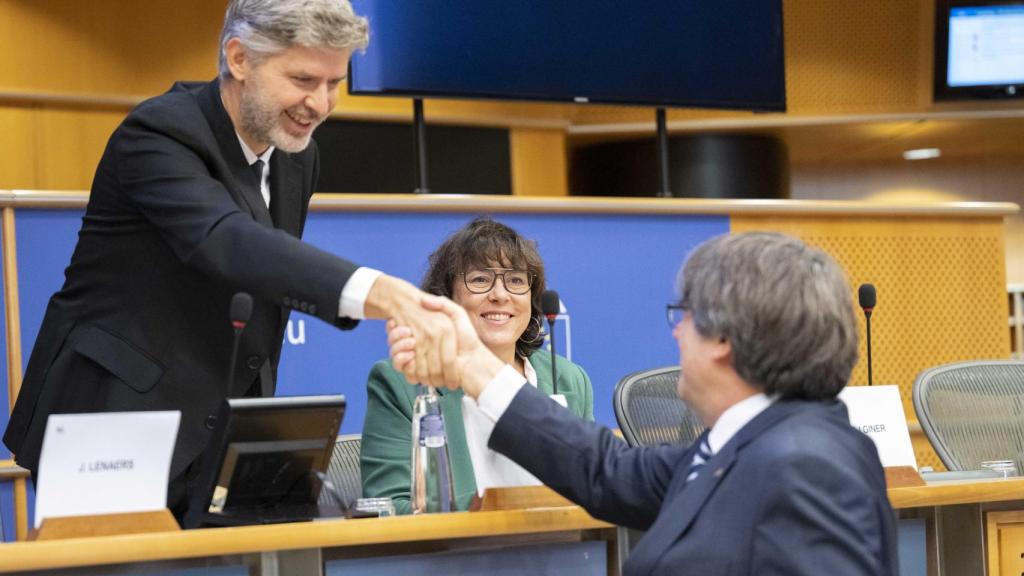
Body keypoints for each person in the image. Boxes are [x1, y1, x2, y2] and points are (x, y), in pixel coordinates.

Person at [3, 0, 457, 518]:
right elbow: (228, 242)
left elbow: (267, 284)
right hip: (114, 421)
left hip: (226, 431)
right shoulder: (158, 134)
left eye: (335, 83)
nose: (321, 103)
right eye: (304, 78)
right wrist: (380, 292)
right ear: (239, 58)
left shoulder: (297, 154)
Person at [389, 232, 898, 575]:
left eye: (686, 314)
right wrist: (469, 365)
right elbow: (602, 467)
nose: (677, 331)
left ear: (723, 337)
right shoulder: (755, 444)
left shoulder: (805, 465)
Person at [361, 217, 594, 513]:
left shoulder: (570, 380)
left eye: (516, 281)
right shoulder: (402, 383)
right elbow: (388, 508)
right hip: (454, 556)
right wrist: (492, 510)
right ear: (447, 297)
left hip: (565, 551)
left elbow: (593, 488)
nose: (500, 295)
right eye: (480, 279)